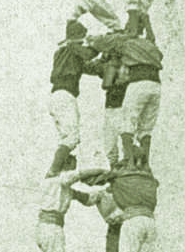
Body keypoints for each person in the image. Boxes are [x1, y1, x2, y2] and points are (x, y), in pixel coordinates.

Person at [87, 33, 163, 166]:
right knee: (142, 129)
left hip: (119, 101)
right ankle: (140, 164)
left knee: (122, 131)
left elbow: (105, 82)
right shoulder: (139, 50)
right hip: (146, 88)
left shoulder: (119, 55)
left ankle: (128, 163)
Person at [48, 21, 101, 160]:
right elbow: (88, 55)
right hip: (65, 96)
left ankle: (59, 168)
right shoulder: (72, 48)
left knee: (66, 138)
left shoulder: (64, 53)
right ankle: (54, 169)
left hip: (57, 96)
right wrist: (102, 44)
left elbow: (89, 67)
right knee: (72, 137)